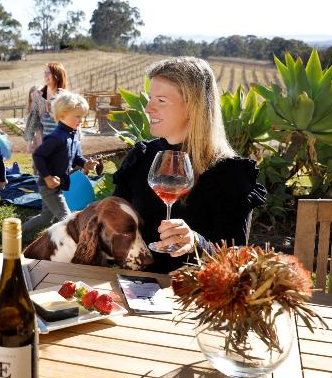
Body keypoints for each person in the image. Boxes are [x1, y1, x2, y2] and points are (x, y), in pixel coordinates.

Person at [113, 56, 266, 273]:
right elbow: (114, 219)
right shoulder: (142, 158)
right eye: (150, 98)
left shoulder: (229, 174)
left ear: (193, 107)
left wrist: (195, 242)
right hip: (132, 287)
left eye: (161, 100)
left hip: (193, 296)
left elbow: (234, 260)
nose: (148, 108)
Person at [23, 92, 98, 235]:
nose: (81, 120)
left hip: (58, 184)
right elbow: (38, 155)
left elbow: (76, 157)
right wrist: (47, 177)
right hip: (49, 186)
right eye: (77, 116)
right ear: (62, 115)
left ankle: (18, 232)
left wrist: (86, 164)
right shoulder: (56, 137)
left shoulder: (73, 135)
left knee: (46, 218)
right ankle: (75, 248)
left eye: (82, 116)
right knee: (68, 220)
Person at [23, 62, 68, 154]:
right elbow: (33, 118)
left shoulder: (64, 96)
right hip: (45, 143)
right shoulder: (40, 95)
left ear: (57, 76)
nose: (45, 75)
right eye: (45, 72)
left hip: (62, 144)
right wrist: (29, 141)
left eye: (48, 73)